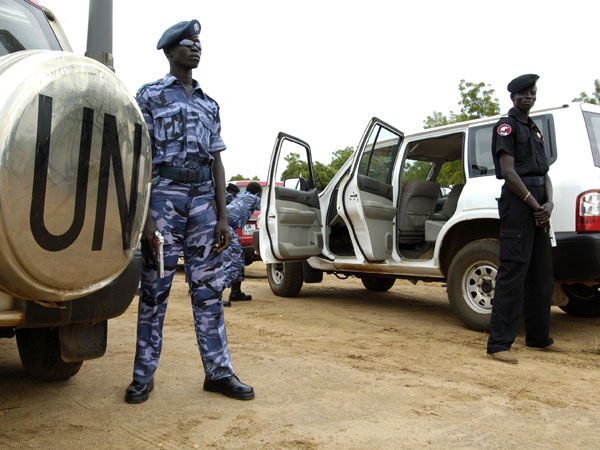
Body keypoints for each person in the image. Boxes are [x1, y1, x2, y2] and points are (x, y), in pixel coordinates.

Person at [125, 19, 254, 403]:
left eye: (199, 43)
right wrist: (145, 217)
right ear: (169, 51)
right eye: (187, 42)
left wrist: (222, 217)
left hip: (202, 203)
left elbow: (217, 162)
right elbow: (138, 157)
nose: (195, 48)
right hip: (163, 197)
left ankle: (218, 373)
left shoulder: (209, 104)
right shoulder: (149, 96)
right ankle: (143, 375)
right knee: (155, 290)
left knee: (209, 290)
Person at [487, 74, 563, 364]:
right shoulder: (506, 126)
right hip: (519, 204)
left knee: (542, 274)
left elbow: (545, 173)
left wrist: (549, 204)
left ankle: (538, 338)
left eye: (532, 92)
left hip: (539, 204)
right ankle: (499, 344)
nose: (529, 96)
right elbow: (509, 172)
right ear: (513, 97)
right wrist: (534, 205)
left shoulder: (534, 129)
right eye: (523, 93)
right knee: (513, 273)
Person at [222, 182, 262, 307]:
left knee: (239, 259)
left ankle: (236, 293)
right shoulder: (254, 198)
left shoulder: (241, 196)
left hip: (226, 227)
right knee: (232, 262)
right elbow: (270, 207)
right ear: (258, 193)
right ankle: (215, 296)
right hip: (227, 229)